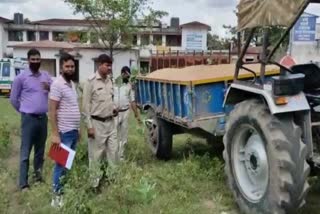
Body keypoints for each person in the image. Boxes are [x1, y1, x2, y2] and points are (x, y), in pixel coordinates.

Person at [10, 48, 52, 191]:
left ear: (41, 60)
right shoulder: (20, 78)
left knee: (40, 151)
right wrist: (24, 111)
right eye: (33, 59)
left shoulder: (46, 76)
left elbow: (57, 89)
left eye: (38, 59)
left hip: (43, 119)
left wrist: (50, 87)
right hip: (28, 119)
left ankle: (38, 177)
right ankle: (23, 183)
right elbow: (14, 99)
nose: (35, 62)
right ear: (28, 61)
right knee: (25, 151)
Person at [48, 53, 81, 207]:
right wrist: (55, 134)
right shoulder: (57, 84)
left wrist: (78, 128)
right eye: (67, 66)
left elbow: (74, 107)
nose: (70, 69)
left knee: (68, 165)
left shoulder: (72, 84)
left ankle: (62, 191)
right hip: (63, 133)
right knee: (60, 165)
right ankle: (56, 197)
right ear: (61, 67)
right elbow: (52, 110)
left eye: (72, 66)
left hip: (73, 131)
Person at [82, 54, 119, 189]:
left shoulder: (110, 81)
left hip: (111, 122)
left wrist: (114, 108)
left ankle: (113, 179)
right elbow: (85, 106)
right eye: (107, 65)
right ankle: (94, 184)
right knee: (96, 155)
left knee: (114, 152)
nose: (109, 68)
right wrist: (89, 126)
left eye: (110, 65)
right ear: (99, 65)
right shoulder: (90, 82)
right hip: (97, 124)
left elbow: (111, 99)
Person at [114, 66, 142, 161]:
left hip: (125, 112)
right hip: (114, 113)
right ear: (122, 73)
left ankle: (121, 156)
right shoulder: (114, 83)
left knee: (123, 136)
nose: (127, 77)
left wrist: (137, 115)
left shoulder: (129, 86)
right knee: (114, 135)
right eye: (126, 75)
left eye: (129, 76)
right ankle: (113, 156)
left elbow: (132, 101)